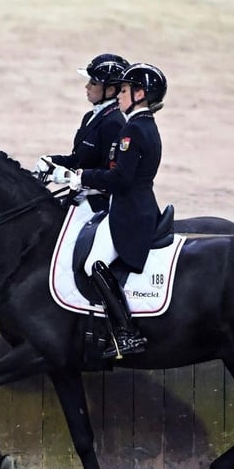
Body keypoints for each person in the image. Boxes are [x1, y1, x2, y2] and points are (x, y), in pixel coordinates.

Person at [54, 63, 168, 359]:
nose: (120, 95)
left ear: (140, 94)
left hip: (129, 213)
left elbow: (119, 179)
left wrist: (80, 178)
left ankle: (126, 332)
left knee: (94, 263)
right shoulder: (142, 125)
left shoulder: (132, 130)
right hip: (132, 207)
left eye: (126, 90)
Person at [34, 53, 130, 211]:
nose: (87, 87)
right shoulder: (90, 117)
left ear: (111, 90)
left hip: (98, 203)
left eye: (93, 83)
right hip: (80, 195)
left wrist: (69, 176)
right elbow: (79, 159)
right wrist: (52, 161)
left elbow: (111, 173)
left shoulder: (114, 122)